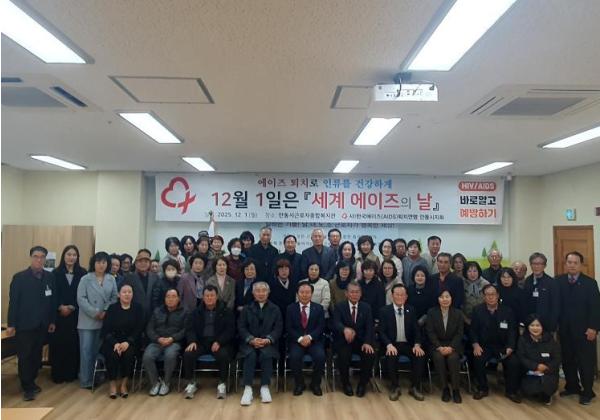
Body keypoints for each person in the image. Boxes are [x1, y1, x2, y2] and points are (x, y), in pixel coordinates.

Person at [6, 246, 57, 401]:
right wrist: (11, 324)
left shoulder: (49, 277)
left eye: (42, 257)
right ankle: (27, 386)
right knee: (25, 356)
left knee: (36, 356)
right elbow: (14, 303)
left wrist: (52, 321)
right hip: (25, 325)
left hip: (42, 325)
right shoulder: (19, 278)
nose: (39, 260)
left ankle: (31, 381)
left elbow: (52, 301)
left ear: (45, 259)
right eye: (36, 256)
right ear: (31, 257)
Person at [556, 251, 600, 405]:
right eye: (569, 262)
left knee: (585, 362)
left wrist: (593, 328)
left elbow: (596, 308)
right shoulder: (558, 281)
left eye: (575, 263)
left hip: (585, 331)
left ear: (581, 265)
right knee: (568, 360)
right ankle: (572, 386)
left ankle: (588, 392)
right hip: (565, 330)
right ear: (565, 264)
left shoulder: (590, 283)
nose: (572, 265)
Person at [182, 285, 235, 399]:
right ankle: (191, 382)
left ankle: (222, 383)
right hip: (200, 342)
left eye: (212, 295)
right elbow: (190, 329)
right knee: (188, 353)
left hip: (218, 342)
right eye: (207, 296)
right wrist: (192, 341)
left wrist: (219, 341)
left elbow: (230, 330)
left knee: (224, 355)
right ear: (203, 297)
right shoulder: (196, 312)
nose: (209, 298)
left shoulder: (226, 311)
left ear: (217, 297)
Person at [470, 285, 521, 403]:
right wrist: (475, 345)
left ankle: (511, 391)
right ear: (484, 297)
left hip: (503, 346)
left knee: (514, 362)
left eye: (493, 294)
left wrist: (510, 347)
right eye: (487, 295)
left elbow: (513, 331)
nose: (490, 297)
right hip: (484, 346)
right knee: (477, 359)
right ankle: (482, 388)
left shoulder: (508, 311)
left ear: (497, 295)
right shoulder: (477, 310)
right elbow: (473, 330)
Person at [77, 251, 118, 389]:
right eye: (98, 262)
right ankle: (86, 380)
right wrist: (95, 313)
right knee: (86, 351)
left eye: (104, 262)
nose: (101, 265)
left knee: (98, 351)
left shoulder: (111, 279)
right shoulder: (85, 279)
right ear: (93, 263)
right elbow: (81, 299)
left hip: (104, 319)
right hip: (87, 320)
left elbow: (114, 297)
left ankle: (97, 376)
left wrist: (105, 310)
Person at [238, 282, 283, 406]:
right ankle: (248, 388)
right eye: (258, 291)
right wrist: (251, 339)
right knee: (250, 355)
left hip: (268, 343)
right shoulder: (246, 309)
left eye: (264, 291)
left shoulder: (275, 309)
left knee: (266, 354)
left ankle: (265, 387)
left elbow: (278, 328)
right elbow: (241, 327)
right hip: (249, 343)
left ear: (268, 293)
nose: (261, 293)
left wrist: (268, 339)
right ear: (253, 293)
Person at [379, 284, 426, 401]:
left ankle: (415, 387)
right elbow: (381, 332)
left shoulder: (411, 310)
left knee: (419, 355)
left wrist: (417, 344)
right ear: (392, 296)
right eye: (397, 294)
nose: (400, 297)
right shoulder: (384, 311)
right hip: (392, 344)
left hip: (408, 344)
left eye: (402, 295)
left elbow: (416, 330)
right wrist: (388, 345)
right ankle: (395, 387)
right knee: (391, 356)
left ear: (406, 297)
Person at [100, 283, 144, 398]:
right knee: (113, 355)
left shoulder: (138, 308)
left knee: (129, 355)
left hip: (131, 341)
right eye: (124, 292)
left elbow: (139, 328)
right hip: (113, 341)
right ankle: (112, 384)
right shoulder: (112, 308)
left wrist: (128, 342)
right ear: (119, 294)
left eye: (129, 292)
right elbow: (105, 330)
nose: (127, 294)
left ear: (133, 294)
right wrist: (115, 343)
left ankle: (124, 385)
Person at [332, 281, 376, 398]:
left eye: (357, 292)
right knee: (343, 355)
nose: (354, 294)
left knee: (369, 354)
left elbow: (370, 327)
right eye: (352, 292)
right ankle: (346, 383)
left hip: (361, 341)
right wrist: (344, 329)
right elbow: (335, 323)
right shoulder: (340, 306)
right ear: (346, 293)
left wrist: (367, 342)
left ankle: (362, 384)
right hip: (344, 340)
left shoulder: (366, 307)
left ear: (360, 294)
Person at [50, 245, 86, 384]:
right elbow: (52, 294)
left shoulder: (82, 273)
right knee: (59, 345)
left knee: (73, 344)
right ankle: (58, 374)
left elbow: (84, 294)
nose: (71, 257)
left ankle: (71, 373)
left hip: (76, 315)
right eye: (69, 254)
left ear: (77, 257)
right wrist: (60, 307)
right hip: (58, 316)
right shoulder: (55, 273)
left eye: (74, 255)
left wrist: (72, 307)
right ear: (63, 256)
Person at [143, 288, 187, 396]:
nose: (170, 299)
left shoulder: (184, 312)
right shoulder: (157, 311)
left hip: (174, 342)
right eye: (168, 297)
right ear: (164, 299)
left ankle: (166, 383)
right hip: (157, 341)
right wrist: (158, 338)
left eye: (173, 297)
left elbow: (185, 330)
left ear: (178, 299)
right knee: (147, 356)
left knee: (170, 355)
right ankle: (155, 383)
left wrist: (172, 338)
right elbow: (149, 328)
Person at [286, 282, 326, 396]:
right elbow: (288, 327)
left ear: (311, 294)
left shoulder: (319, 308)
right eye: (302, 292)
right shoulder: (290, 308)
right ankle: (299, 384)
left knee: (320, 356)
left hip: (314, 341)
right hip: (297, 341)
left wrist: (309, 337)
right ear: (297, 294)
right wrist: (300, 339)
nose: (304, 295)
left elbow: (321, 327)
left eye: (307, 292)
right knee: (294, 357)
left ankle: (315, 384)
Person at [426, 290, 464, 403]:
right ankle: (445, 389)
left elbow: (459, 333)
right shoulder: (431, 312)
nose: (445, 299)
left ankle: (456, 390)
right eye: (442, 297)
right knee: (438, 357)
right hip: (436, 345)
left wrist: (451, 347)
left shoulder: (458, 313)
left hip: (453, 345)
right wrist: (439, 347)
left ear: (451, 298)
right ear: (438, 299)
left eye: (447, 296)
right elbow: (430, 332)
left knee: (453, 358)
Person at [517, 315, 561, 405]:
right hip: (530, 371)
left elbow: (557, 358)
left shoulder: (551, 340)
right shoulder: (523, 339)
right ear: (527, 327)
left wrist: (545, 368)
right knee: (530, 389)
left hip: (547, 371)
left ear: (542, 326)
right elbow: (521, 357)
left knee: (546, 389)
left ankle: (546, 394)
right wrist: (536, 366)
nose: (535, 328)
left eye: (538, 325)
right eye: (532, 325)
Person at [523, 252, 559, 333]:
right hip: (530, 324)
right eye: (534, 264)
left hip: (546, 324)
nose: (536, 266)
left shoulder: (551, 283)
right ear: (530, 265)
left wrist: (552, 325)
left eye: (539, 264)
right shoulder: (527, 281)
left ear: (544, 266)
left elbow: (555, 306)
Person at [123, 249, 159, 320]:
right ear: (136, 263)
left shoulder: (155, 277)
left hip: (152, 315)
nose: (143, 263)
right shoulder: (129, 278)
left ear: (149, 264)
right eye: (140, 261)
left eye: (146, 261)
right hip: (134, 314)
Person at [269, 259, 297, 329]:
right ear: (277, 271)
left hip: (291, 315)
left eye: (286, 269)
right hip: (276, 316)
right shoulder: (271, 284)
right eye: (281, 269)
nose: (284, 271)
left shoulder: (294, 283)